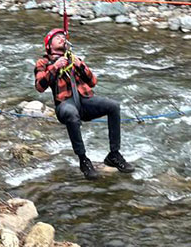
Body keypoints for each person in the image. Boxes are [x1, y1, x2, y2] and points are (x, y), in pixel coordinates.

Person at [34, 28, 135, 180]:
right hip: (65, 104)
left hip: (85, 101)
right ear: (49, 45)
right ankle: (83, 160)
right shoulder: (43, 63)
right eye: (57, 38)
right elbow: (40, 86)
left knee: (113, 106)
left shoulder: (73, 59)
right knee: (71, 114)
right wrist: (55, 68)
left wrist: (79, 64)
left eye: (63, 36)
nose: (62, 38)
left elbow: (93, 82)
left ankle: (114, 154)